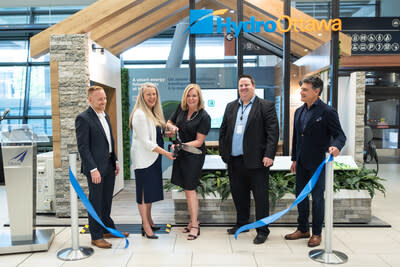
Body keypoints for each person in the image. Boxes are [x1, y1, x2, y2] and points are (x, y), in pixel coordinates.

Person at [285, 76, 346, 247]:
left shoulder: (327, 112)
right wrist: (294, 159)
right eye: (302, 89)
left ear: (316, 91)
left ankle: (317, 233)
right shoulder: (299, 111)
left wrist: (336, 146)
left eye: (305, 89)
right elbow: (296, 137)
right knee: (301, 196)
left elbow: (340, 135)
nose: (301, 92)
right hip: (302, 163)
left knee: (318, 199)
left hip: (318, 163)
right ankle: (303, 228)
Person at [219, 74, 279, 244]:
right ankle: (242, 223)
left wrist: (269, 155)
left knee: (261, 198)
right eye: (241, 85)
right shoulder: (231, 107)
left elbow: (273, 133)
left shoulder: (265, 106)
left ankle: (262, 230)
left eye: (246, 85)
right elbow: (223, 132)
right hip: (235, 161)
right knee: (239, 195)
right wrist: (225, 154)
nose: (243, 88)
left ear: (253, 86)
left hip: (258, 161)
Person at [75, 85, 129, 249]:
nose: (104, 101)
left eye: (104, 98)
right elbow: (83, 147)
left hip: (109, 165)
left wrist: (116, 161)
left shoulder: (105, 116)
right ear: (90, 100)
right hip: (95, 169)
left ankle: (107, 229)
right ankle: (96, 236)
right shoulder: (83, 118)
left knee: (106, 201)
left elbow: (109, 141)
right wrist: (92, 169)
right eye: (100, 99)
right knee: (96, 202)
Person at [166, 84, 211, 241]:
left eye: (194, 95)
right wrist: (174, 128)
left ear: (199, 97)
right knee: (186, 188)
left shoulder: (204, 116)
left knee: (190, 189)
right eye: (189, 95)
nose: (191, 98)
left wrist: (180, 145)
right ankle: (193, 220)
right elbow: (169, 123)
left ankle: (195, 225)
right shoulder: (181, 109)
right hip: (182, 154)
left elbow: (199, 142)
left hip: (194, 155)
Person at [130, 83, 175, 239]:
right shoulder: (140, 114)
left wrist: (167, 135)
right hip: (143, 160)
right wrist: (167, 154)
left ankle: (149, 220)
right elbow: (146, 142)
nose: (152, 97)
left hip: (153, 158)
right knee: (143, 194)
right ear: (142, 96)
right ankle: (145, 226)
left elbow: (154, 135)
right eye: (148, 94)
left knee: (149, 193)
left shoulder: (151, 113)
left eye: (154, 94)